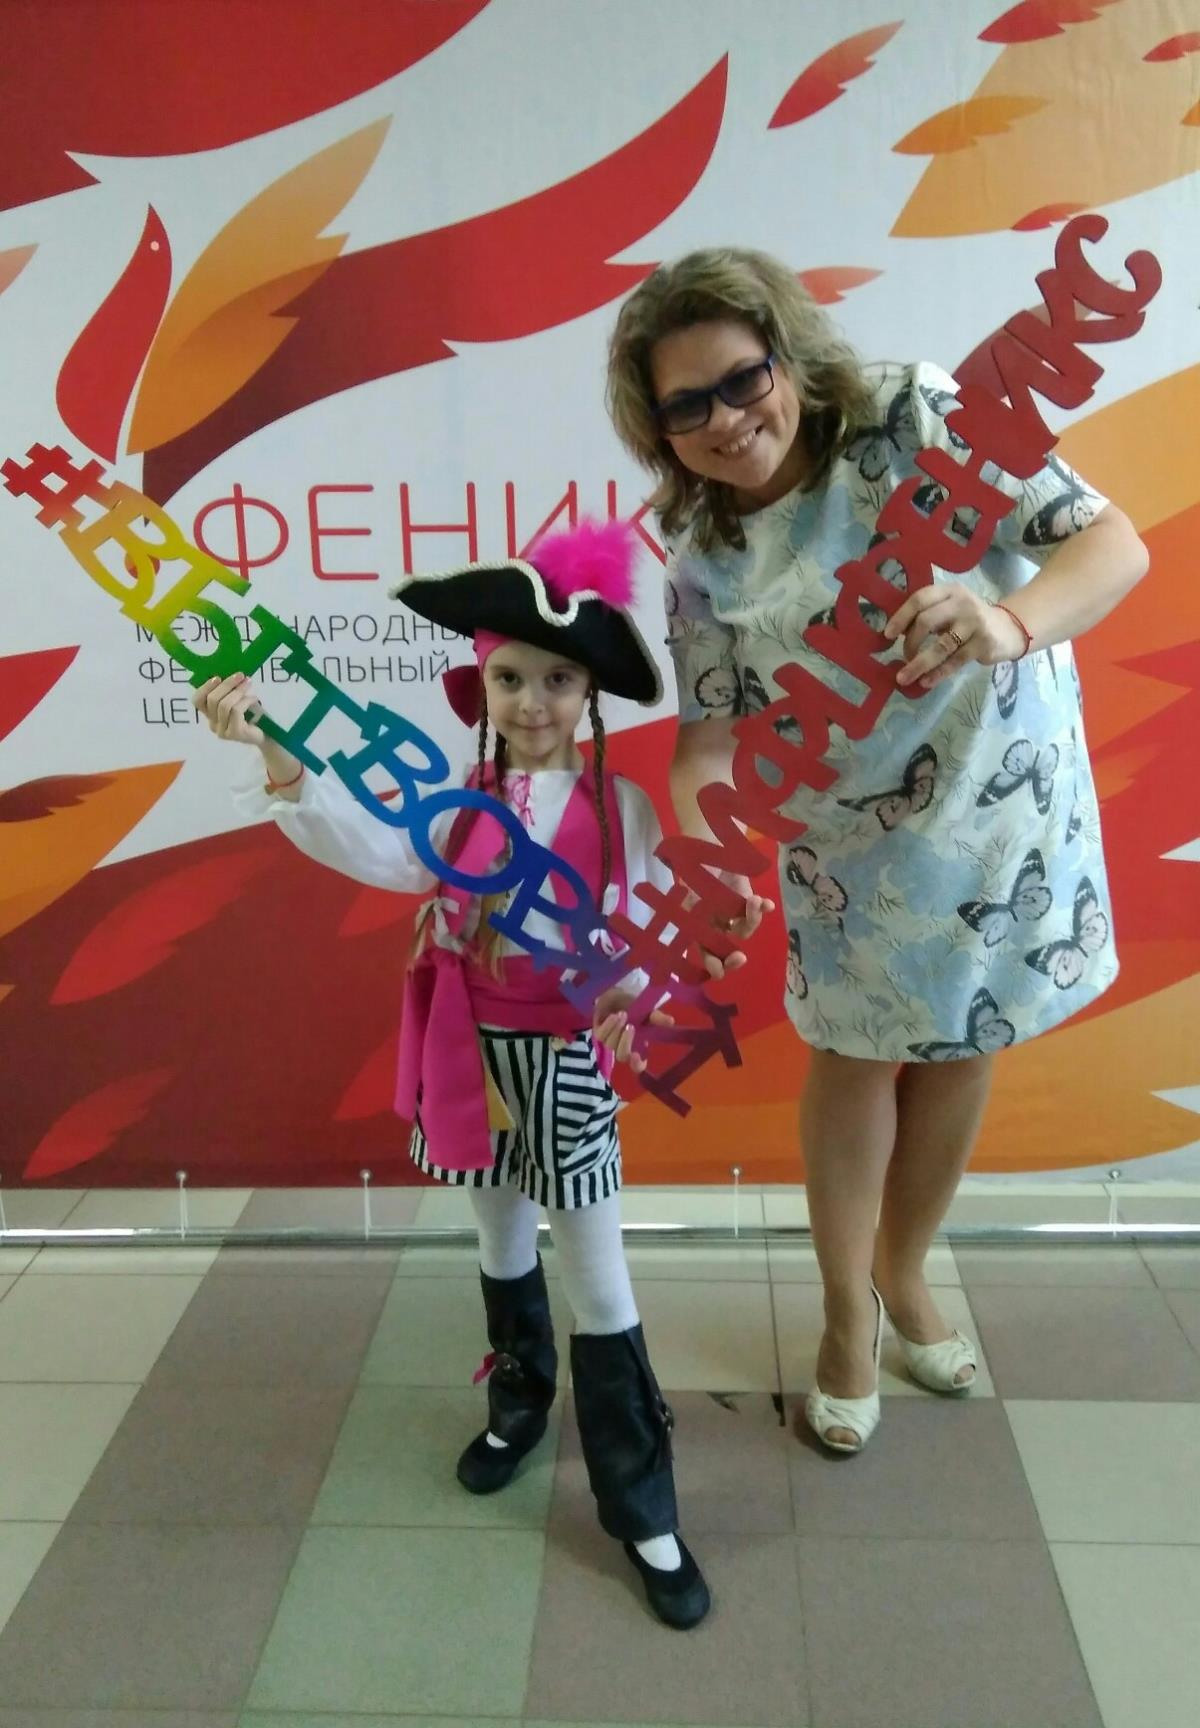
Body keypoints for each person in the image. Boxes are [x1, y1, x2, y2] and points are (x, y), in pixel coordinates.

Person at [605, 247, 1149, 1453]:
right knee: (855, 1060)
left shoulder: (916, 418)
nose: (725, 421)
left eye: (741, 380)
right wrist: (711, 856)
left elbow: (1112, 544)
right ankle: (847, 1314)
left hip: (1002, 811)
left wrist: (1005, 619)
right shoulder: (701, 558)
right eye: (686, 406)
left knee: (965, 1043)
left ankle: (906, 1273)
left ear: (788, 358)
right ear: (659, 429)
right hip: (848, 855)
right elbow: (706, 743)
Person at [193, 520, 711, 1628]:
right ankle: (517, 1407)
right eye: (510, 678)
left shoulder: (620, 810)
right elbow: (373, 850)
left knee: (600, 1277)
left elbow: (638, 941)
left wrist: (642, 1004)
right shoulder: (452, 805)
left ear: (590, 693)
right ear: (480, 685)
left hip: (567, 1061)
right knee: (498, 1238)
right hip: (468, 1051)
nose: (532, 702)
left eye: (557, 680)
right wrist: (277, 753)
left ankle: (642, 1503)